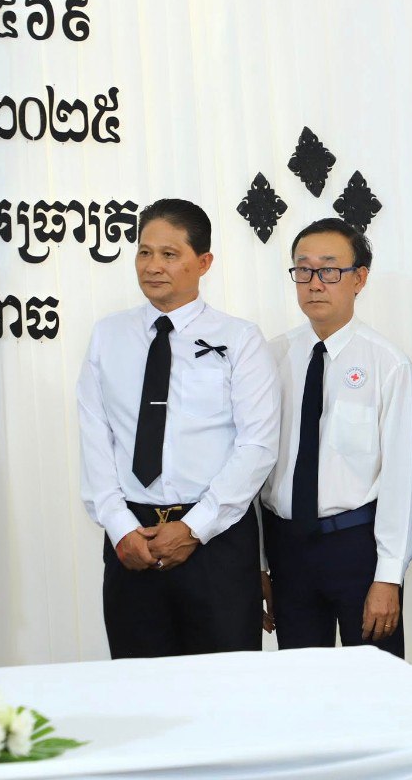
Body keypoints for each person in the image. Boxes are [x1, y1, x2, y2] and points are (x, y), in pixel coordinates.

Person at [78, 198, 280, 658]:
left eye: (169, 254)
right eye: (144, 252)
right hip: (132, 540)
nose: (153, 266)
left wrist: (194, 528)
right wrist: (119, 526)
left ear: (203, 262)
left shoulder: (240, 339)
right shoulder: (108, 335)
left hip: (216, 541)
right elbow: (94, 436)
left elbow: (257, 446)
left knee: (223, 687)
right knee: (139, 685)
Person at [260, 218, 412, 656]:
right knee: (300, 682)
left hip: (356, 548)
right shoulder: (271, 357)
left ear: (359, 278)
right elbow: (255, 464)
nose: (315, 283)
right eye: (303, 269)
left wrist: (388, 576)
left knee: (374, 681)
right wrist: (260, 562)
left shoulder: (387, 364)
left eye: (329, 270)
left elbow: (402, 478)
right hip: (287, 547)